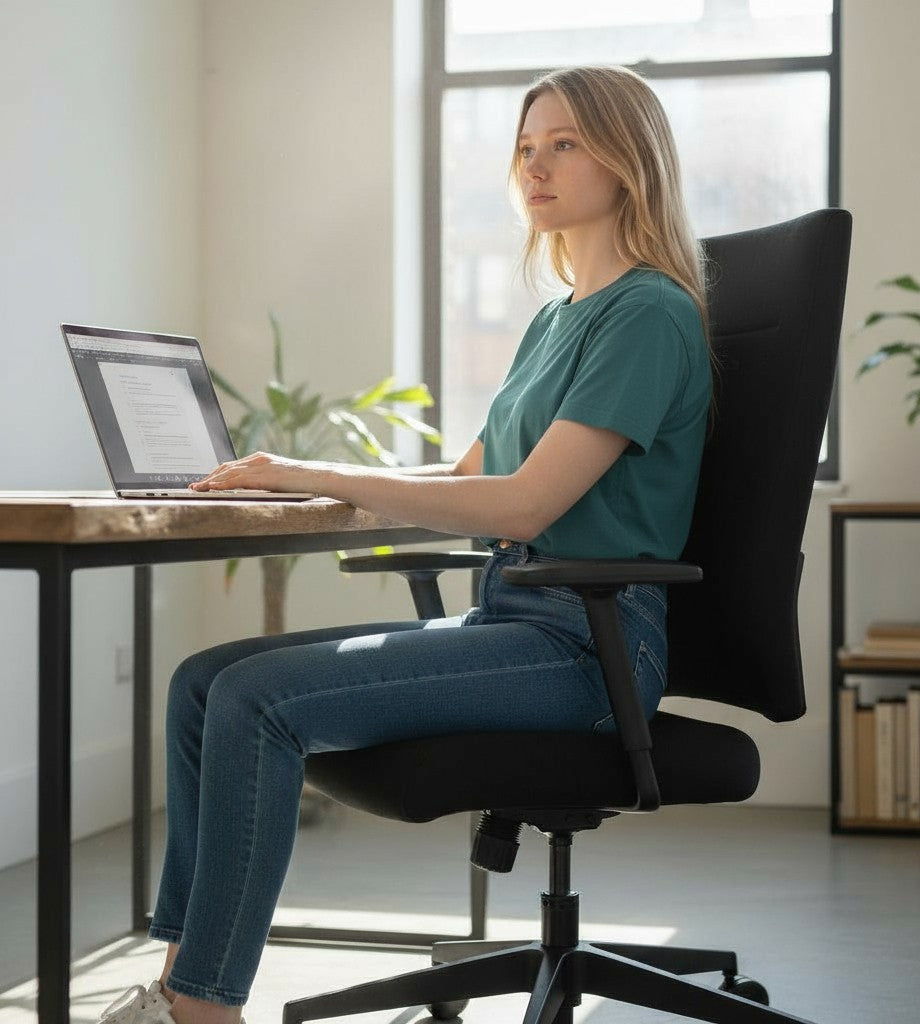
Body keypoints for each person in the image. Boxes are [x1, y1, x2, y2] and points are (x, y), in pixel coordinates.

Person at [99, 65, 712, 1024]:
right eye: (525, 147)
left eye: (565, 143)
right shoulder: (558, 319)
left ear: (628, 162)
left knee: (258, 701)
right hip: (517, 620)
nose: (535, 167)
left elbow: (519, 505)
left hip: (588, 650)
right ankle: (183, 977)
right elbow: (469, 469)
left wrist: (319, 478)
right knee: (200, 682)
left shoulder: (651, 313)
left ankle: (204, 1008)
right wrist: (293, 469)